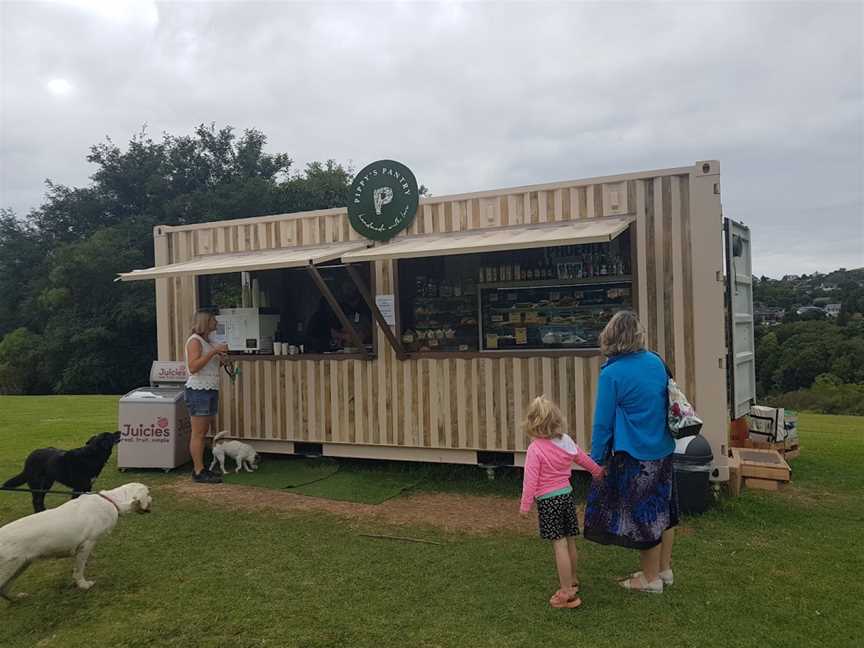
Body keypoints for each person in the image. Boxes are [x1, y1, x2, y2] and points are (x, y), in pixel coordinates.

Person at [583, 310, 679, 594]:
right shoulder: (656, 361)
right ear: (637, 335)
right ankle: (663, 570)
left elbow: (603, 424)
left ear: (610, 336)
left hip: (635, 453)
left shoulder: (612, 373)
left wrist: (596, 460)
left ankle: (649, 581)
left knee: (644, 515)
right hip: (663, 447)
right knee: (664, 510)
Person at [519, 395, 606, 609]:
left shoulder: (535, 449)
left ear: (532, 423)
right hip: (566, 496)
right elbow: (583, 459)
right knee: (570, 540)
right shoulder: (565, 441)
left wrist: (525, 505)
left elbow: (530, 480)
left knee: (559, 544)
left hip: (548, 502)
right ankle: (573, 579)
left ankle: (567, 593)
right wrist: (598, 471)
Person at [184, 310, 229, 484]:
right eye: (213, 320)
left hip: (209, 388)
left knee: (204, 432)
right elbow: (194, 367)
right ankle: (198, 470)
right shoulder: (195, 341)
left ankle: (202, 468)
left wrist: (222, 359)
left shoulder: (208, 341)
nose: (216, 322)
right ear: (205, 322)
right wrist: (213, 352)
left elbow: (208, 366)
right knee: (199, 433)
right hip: (198, 390)